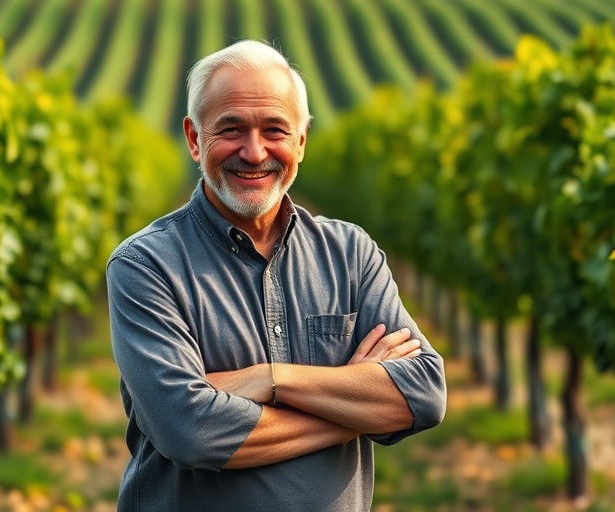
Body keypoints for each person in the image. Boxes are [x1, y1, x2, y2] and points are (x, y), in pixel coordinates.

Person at [106, 39, 446, 512]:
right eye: (231, 129)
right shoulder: (146, 266)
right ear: (193, 138)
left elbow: (424, 393)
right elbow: (190, 433)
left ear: (301, 141)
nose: (253, 150)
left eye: (275, 130)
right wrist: (355, 403)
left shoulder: (351, 253)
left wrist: (270, 379)